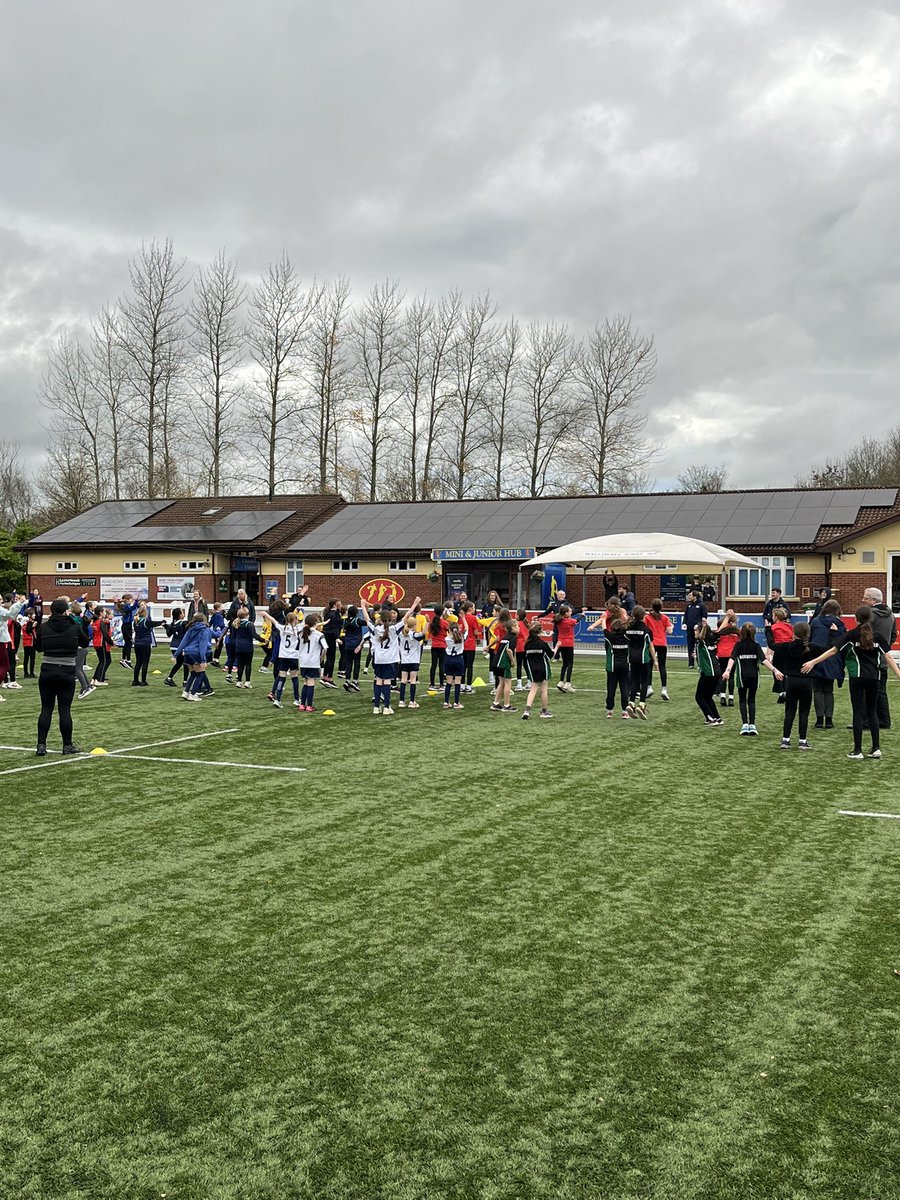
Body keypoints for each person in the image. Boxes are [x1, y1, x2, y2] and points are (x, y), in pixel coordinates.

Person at [802, 604, 900, 760]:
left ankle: (857, 750)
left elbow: (833, 650)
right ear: (871, 618)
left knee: (858, 712)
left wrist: (813, 662)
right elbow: (888, 657)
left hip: (857, 678)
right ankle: (875, 748)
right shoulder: (878, 636)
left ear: (856, 619)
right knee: (872, 712)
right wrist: (899, 674)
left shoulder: (852, 635)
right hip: (875, 678)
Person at [34, 598, 89, 755]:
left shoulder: (44, 627)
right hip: (67, 670)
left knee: (46, 708)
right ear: (66, 611)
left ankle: (41, 745)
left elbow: (38, 647)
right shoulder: (74, 626)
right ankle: (67, 745)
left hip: (47, 670)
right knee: (64, 710)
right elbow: (85, 643)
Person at [721, 623, 779, 736]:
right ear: (754, 633)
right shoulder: (756, 645)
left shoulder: (738, 645)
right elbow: (764, 660)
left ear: (741, 633)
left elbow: (732, 659)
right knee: (751, 700)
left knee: (742, 699)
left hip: (742, 676)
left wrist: (727, 671)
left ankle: (744, 725)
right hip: (754, 676)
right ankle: (752, 725)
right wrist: (775, 670)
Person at [771, 622, 817, 750]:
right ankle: (802, 740)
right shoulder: (812, 647)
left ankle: (786, 740)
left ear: (793, 633)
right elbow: (829, 647)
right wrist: (832, 633)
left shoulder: (786, 646)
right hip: (807, 682)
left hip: (791, 681)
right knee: (804, 712)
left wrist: (769, 629)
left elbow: (772, 645)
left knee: (789, 711)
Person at [863, 586, 897, 730]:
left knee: (865, 691)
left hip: (869, 658)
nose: (863, 600)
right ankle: (884, 720)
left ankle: (865, 721)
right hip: (883, 659)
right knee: (881, 691)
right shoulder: (891, 615)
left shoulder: (870, 614)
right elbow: (894, 636)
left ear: (873, 600)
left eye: (865, 598)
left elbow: (864, 634)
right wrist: (885, 647)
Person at [809, 599, 845, 730]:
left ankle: (819, 719)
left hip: (817, 658)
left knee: (817, 690)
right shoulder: (840, 624)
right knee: (829, 691)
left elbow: (810, 639)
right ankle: (829, 720)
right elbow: (843, 643)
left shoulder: (816, 621)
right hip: (833, 659)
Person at [624, 605, 656, 719]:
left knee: (634, 681)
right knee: (644, 682)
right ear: (643, 616)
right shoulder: (646, 630)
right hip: (644, 659)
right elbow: (651, 646)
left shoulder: (628, 629)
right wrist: (655, 661)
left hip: (632, 658)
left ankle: (631, 703)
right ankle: (641, 705)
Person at [267, 610, 303, 708]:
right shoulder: (297, 629)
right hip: (293, 656)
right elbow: (309, 625)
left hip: (283, 656)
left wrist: (265, 614)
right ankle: (296, 699)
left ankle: (278, 700)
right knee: (294, 677)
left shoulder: (282, 628)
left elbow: (273, 621)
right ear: (295, 620)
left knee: (281, 677)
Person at [175, 613, 214, 701]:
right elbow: (202, 645)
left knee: (192, 674)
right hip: (196, 654)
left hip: (187, 653)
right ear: (204, 621)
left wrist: (176, 655)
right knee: (200, 674)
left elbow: (183, 642)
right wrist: (203, 660)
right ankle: (193, 694)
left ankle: (186, 692)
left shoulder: (190, 629)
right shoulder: (204, 630)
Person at [521, 620, 554, 719]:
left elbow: (525, 658)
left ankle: (527, 710)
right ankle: (544, 711)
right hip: (543, 668)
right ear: (540, 632)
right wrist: (557, 647)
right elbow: (551, 655)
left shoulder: (527, 644)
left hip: (532, 669)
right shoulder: (543, 644)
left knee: (533, 689)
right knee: (544, 690)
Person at [296, 613, 328, 712]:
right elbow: (325, 648)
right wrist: (321, 658)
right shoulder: (319, 635)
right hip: (313, 661)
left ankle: (302, 705)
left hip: (303, 661)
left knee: (305, 682)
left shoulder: (301, 633)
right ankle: (309, 705)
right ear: (316, 623)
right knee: (311, 683)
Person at [694, 624, 724, 725]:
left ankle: (710, 718)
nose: (694, 632)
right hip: (717, 672)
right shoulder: (712, 640)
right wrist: (727, 618)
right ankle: (717, 717)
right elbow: (719, 631)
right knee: (707, 697)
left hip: (708, 673)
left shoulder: (701, 642)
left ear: (700, 632)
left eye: (696, 630)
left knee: (699, 697)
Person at [602, 617, 631, 719]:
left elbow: (604, 629)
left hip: (612, 667)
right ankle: (624, 711)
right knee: (625, 689)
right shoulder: (627, 637)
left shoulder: (609, 637)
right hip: (625, 666)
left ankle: (609, 711)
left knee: (611, 688)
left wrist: (603, 618)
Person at [489, 610, 517, 713]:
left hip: (496, 661)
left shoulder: (505, 637)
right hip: (503, 663)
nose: (518, 628)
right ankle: (506, 705)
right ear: (512, 628)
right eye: (517, 626)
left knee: (501, 682)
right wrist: (512, 661)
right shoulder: (513, 638)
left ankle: (495, 703)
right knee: (507, 683)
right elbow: (509, 650)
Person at [764, 608, 794, 702]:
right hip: (789, 650)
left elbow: (771, 641)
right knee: (787, 671)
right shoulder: (789, 626)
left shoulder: (773, 627)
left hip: (779, 650)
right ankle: (787, 690)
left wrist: (767, 629)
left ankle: (781, 691)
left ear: (776, 617)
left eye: (773, 615)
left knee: (777, 670)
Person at [644, 599, 671, 701]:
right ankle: (664, 689)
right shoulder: (665, 618)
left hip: (651, 643)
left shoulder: (647, 617)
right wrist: (670, 626)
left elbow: (645, 628)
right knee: (662, 666)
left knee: (649, 666)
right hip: (662, 643)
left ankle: (649, 687)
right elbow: (669, 631)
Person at [231, 607, 265, 688]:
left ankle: (239, 681)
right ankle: (247, 682)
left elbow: (233, 635)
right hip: (247, 647)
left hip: (238, 646)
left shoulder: (235, 624)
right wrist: (263, 640)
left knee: (240, 664)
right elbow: (254, 635)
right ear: (246, 615)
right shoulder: (249, 624)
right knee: (248, 664)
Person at [132, 604, 165, 686]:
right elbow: (154, 623)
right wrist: (162, 622)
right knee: (145, 662)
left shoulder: (135, 621)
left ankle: (135, 680)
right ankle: (143, 680)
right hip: (145, 643)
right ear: (145, 613)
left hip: (137, 643)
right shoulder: (145, 621)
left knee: (138, 662)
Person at [397, 612, 425, 709]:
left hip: (404, 660)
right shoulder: (414, 635)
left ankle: (401, 701)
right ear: (414, 625)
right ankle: (412, 701)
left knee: (403, 680)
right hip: (413, 660)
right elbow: (423, 633)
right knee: (412, 680)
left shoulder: (401, 634)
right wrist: (427, 623)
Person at [714, 610, 740, 707]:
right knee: (731, 676)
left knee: (722, 676)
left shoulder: (721, 632)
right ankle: (731, 698)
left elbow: (716, 634)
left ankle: (722, 697)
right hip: (732, 655)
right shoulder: (736, 631)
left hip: (721, 654)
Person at [0, 593, 25, 688]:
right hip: (2, 641)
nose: (2, 601)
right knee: (5, 666)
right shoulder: (1, 611)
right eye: (0, 599)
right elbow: (10, 614)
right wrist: (20, 602)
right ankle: (9, 682)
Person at [553, 604, 578, 693]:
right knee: (570, 663)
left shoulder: (559, 621)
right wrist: (582, 615)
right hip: (569, 644)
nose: (571, 613)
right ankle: (567, 682)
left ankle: (560, 681)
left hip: (561, 643)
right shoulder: (569, 621)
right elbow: (576, 621)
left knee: (564, 664)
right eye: (570, 611)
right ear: (566, 613)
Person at [442, 618, 466, 709]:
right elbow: (466, 629)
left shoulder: (447, 638)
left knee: (448, 682)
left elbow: (450, 635)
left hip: (448, 659)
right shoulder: (461, 638)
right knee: (457, 682)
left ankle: (446, 702)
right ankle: (456, 702)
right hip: (458, 659)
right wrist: (463, 619)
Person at [341, 604, 365, 692]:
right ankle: (355, 680)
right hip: (356, 644)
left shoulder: (345, 621)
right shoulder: (357, 620)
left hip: (347, 644)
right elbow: (367, 622)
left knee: (348, 662)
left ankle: (347, 680)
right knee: (357, 662)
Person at [163, 607, 189, 688]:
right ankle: (185, 682)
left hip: (173, 646)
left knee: (179, 663)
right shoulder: (183, 623)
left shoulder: (173, 624)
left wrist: (166, 626)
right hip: (181, 646)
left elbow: (168, 634)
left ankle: (169, 678)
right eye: (182, 613)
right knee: (186, 663)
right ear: (180, 615)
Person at [320, 598, 342, 689]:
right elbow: (335, 627)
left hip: (326, 635)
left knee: (328, 657)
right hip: (331, 636)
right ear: (335, 604)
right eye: (339, 603)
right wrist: (337, 637)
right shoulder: (335, 614)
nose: (341, 604)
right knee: (331, 658)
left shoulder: (327, 613)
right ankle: (329, 679)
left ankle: (325, 676)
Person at [683, 591, 708, 668]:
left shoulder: (702, 605)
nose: (689, 596)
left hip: (698, 630)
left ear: (695, 596)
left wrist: (698, 625)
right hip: (689, 629)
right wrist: (684, 623)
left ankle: (699, 663)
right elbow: (686, 615)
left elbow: (704, 617)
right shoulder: (689, 606)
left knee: (698, 646)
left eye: (690, 595)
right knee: (690, 646)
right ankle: (691, 663)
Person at [428, 604, 449, 691]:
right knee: (441, 665)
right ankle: (441, 684)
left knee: (433, 665)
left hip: (434, 645)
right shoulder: (444, 622)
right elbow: (449, 631)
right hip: (442, 645)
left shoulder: (432, 622)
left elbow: (430, 631)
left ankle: (432, 684)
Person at [459, 601, 478, 694]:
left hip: (462, 645)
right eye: (473, 607)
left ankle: (461, 685)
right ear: (470, 608)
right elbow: (475, 632)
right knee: (470, 666)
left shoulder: (461, 618)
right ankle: (469, 686)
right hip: (470, 645)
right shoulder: (473, 618)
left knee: (463, 666)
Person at [116, 593, 139, 669]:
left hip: (127, 626)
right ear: (127, 600)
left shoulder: (125, 605)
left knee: (127, 643)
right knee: (129, 642)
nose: (131, 601)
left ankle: (124, 659)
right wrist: (136, 601)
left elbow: (134, 607)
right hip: (126, 626)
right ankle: (127, 660)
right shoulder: (125, 606)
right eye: (131, 599)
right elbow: (131, 609)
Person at [514, 606, 529, 692]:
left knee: (519, 665)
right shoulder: (526, 623)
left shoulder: (517, 624)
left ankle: (519, 684)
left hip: (520, 646)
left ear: (518, 616)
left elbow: (516, 634)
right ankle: (529, 682)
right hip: (526, 646)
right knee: (526, 664)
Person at [21, 609, 37, 678]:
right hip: (29, 642)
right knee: (30, 658)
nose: (35, 615)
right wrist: (33, 626)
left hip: (27, 642)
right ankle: (30, 673)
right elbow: (28, 631)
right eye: (33, 614)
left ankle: (27, 673)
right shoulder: (29, 622)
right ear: (29, 615)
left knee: (26, 658)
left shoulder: (26, 622)